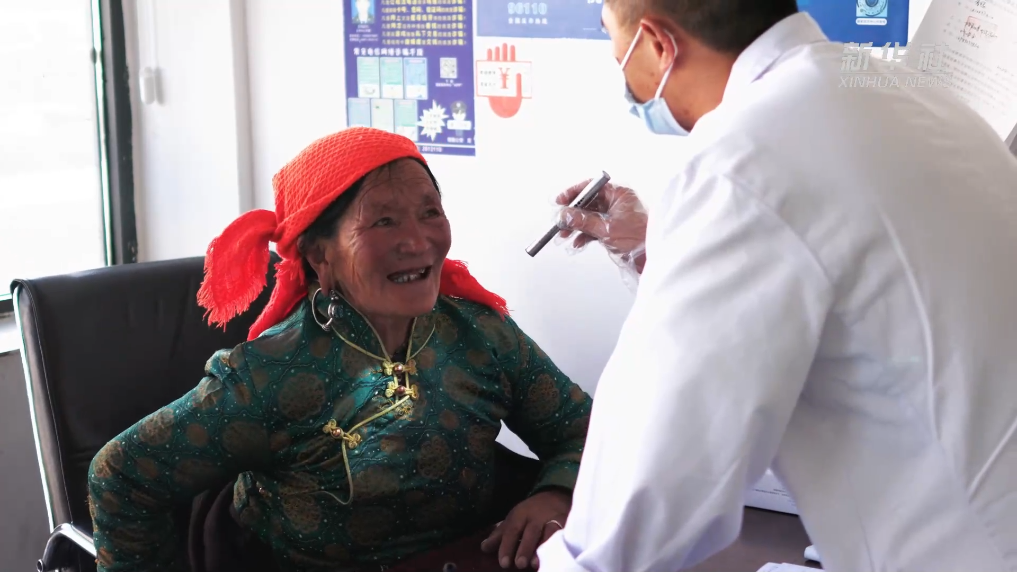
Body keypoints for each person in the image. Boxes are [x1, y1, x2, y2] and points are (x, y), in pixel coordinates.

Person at [535, 1, 1017, 571]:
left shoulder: (740, 158)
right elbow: (852, 291)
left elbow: (649, 490)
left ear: (657, 45)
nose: (617, 66)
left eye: (611, 41)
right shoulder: (907, 95)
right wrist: (651, 246)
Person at [87, 127, 593, 572]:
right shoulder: (269, 376)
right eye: (384, 222)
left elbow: (585, 430)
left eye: (429, 212)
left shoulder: (481, 334)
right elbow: (120, 476)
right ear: (319, 255)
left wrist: (556, 494)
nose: (418, 241)